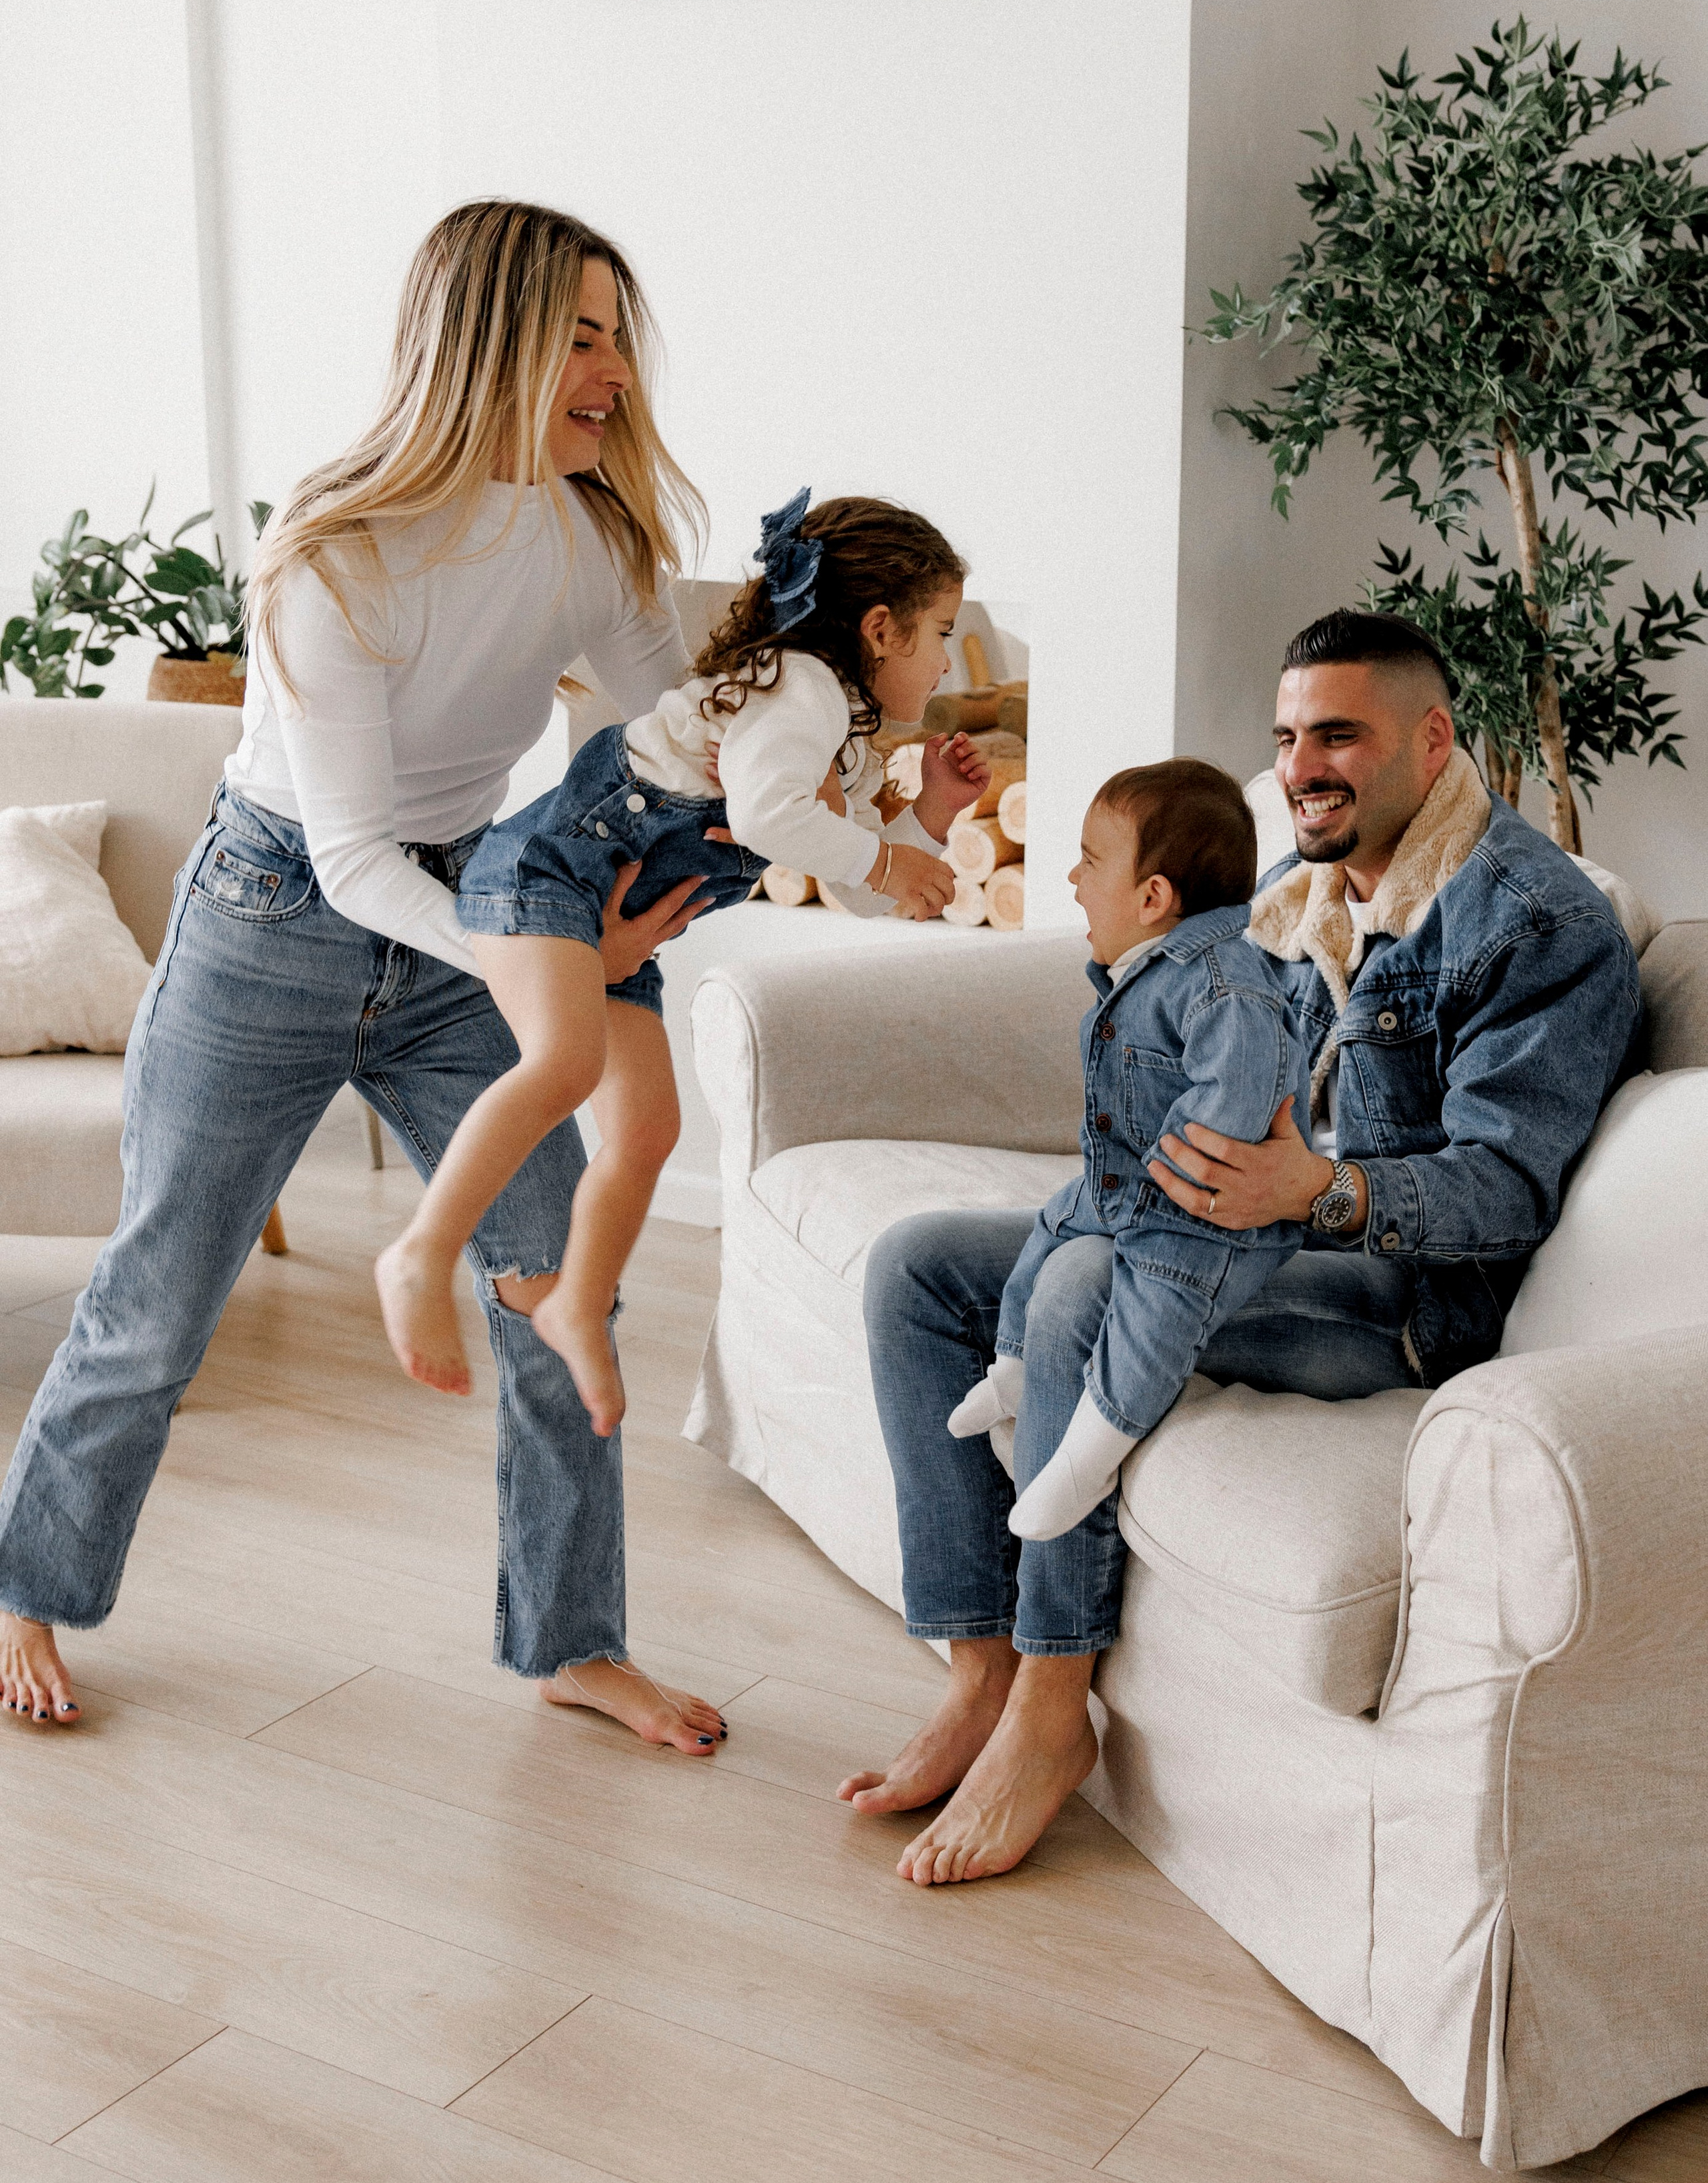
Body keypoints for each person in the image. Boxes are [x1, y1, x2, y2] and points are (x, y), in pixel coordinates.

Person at [0, 198, 736, 1754]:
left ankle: (570, 1638)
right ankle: (29, 1589)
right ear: (489, 345)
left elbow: (690, 733)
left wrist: (844, 746)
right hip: (275, 913)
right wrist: (547, 950)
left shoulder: (589, 529)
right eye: (580, 336)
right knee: (156, 1301)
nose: (612, 370)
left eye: (618, 334)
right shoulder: (331, 551)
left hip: (463, 905)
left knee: (552, 1287)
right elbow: (346, 860)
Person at [843, 610, 1641, 1882]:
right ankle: (980, 1668)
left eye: (1340, 734)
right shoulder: (1294, 891)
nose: (1303, 764)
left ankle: (1054, 1709)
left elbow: (1502, 1190)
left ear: (1432, 741)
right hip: (1229, 1227)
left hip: (1399, 1293)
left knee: (1091, 1292)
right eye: (1286, 737)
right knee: (916, 1269)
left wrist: (1311, 1188)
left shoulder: (1533, 924)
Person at [375, 490, 980, 1421]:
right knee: (565, 1066)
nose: (947, 656)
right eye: (941, 629)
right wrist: (889, 852)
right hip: (551, 872)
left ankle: (579, 1298)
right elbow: (771, 817)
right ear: (881, 628)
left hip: (618, 913)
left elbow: (855, 880)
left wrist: (927, 816)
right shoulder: (800, 690)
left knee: (649, 1128)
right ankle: (420, 1251)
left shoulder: (847, 737)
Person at [949, 759, 1307, 1543]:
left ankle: (1090, 1451)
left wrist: (1159, 1193)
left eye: (1090, 860)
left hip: (1195, 1215)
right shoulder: (1146, 970)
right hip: (1122, 1185)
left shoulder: (1228, 988)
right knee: (1051, 1229)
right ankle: (1010, 1366)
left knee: (1155, 1302)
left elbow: (1231, 1107)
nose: (1073, 878)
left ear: (1154, 897)